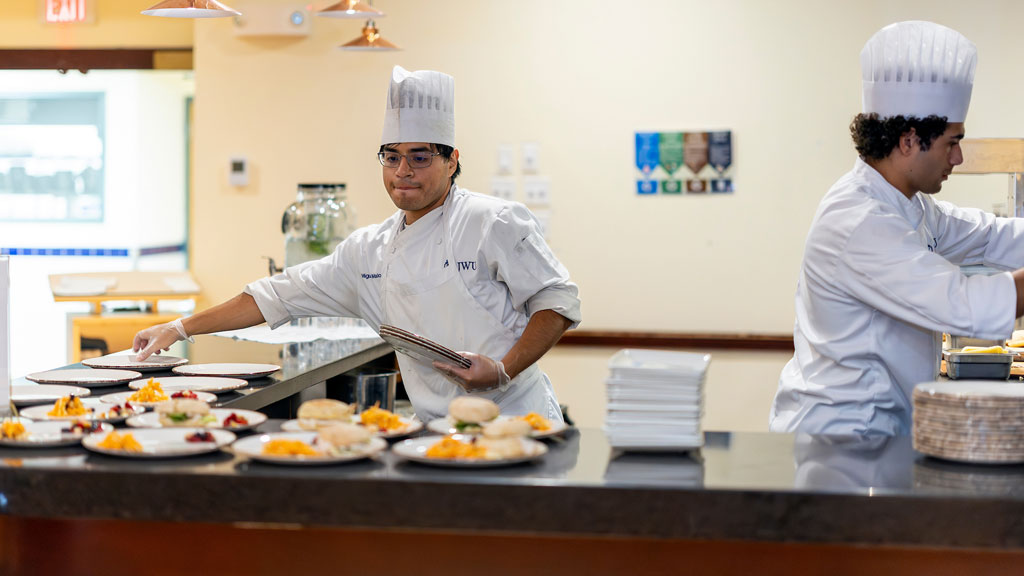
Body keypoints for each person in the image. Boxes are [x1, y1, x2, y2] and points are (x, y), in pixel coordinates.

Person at [134, 66, 581, 423]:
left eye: (420, 157)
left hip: (516, 422)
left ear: (452, 161)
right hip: (436, 431)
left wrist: (503, 368)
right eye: (391, 157)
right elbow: (274, 295)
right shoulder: (368, 250)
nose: (403, 170)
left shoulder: (492, 220)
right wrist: (180, 328)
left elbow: (557, 300)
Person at [770, 21, 1024, 436]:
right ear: (909, 141)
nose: (958, 157)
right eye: (951, 142)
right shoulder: (859, 221)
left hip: (880, 428)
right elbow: (963, 304)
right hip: (840, 439)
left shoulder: (911, 206)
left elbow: (990, 236)